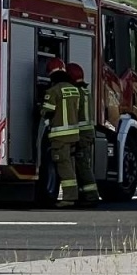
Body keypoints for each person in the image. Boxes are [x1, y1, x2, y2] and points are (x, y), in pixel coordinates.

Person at [38, 60, 82, 207]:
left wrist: (40, 109)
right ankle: (74, 195)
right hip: (74, 135)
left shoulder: (53, 91)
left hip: (60, 137)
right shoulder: (74, 89)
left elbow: (47, 111)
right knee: (70, 165)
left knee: (64, 167)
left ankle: (69, 198)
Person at [65, 62, 101, 206]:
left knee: (82, 165)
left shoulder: (76, 92)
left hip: (81, 134)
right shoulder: (86, 91)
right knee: (83, 163)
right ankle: (84, 194)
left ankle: (91, 196)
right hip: (87, 133)